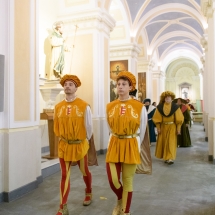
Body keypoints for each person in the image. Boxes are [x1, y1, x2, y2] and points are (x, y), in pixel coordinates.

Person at [106, 71, 151, 215]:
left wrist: (135, 144)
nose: (120, 87)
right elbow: (109, 127)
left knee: (127, 180)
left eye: (124, 84)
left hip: (131, 144)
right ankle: (120, 199)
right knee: (113, 179)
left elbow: (142, 129)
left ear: (130, 87)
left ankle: (125, 211)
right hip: (114, 143)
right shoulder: (110, 106)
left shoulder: (139, 107)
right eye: (118, 84)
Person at [54, 74, 94, 215]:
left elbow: (89, 126)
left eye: (71, 84)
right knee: (65, 175)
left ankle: (88, 191)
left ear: (76, 88)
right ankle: (62, 206)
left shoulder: (84, 106)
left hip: (79, 145)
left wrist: (85, 141)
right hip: (64, 145)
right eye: (65, 84)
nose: (67, 86)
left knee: (84, 171)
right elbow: (56, 126)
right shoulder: (58, 107)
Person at [152, 91, 184, 165]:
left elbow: (179, 118)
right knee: (164, 142)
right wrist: (158, 128)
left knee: (171, 142)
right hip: (163, 127)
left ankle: (170, 158)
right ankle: (166, 157)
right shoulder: (160, 107)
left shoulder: (175, 107)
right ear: (164, 98)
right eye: (166, 97)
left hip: (172, 127)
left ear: (171, 98)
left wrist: (178, 128)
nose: (167, 98)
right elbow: (157, 118)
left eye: (169, 97)